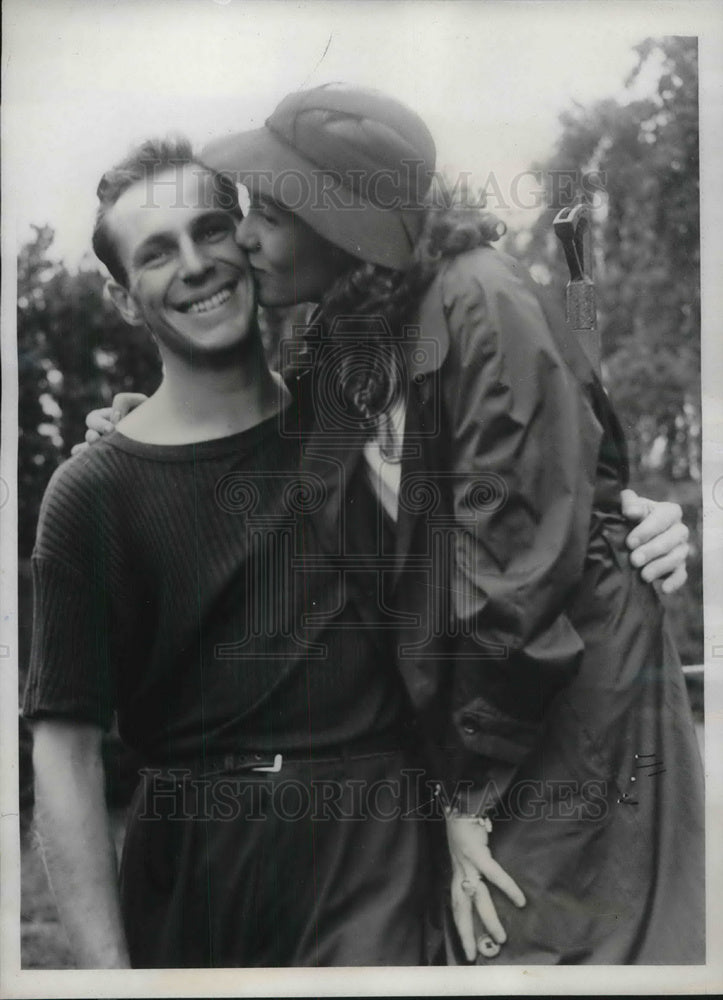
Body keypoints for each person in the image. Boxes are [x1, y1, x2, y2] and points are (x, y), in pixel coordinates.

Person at [82, 89, 695, 962]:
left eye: (273, 216)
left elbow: (515, 573)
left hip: (567, 700)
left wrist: (466, 799)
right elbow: (297, 486)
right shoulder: (341, 342)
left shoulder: (480, 299)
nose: (246, 239)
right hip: (477, 725)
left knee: (546, 954)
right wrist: (140, 430)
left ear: (345, 229)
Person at [23, 137, 464, 968]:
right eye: (157, 252)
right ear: (124, 299)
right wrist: (106, 982)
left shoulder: (359, 429)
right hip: (190, 868)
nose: (195, 264)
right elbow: (66, 749)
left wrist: (635, 521)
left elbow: (518, 509)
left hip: (368, 849)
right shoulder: (92, 492)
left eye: (212, 228)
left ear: (250, 240)